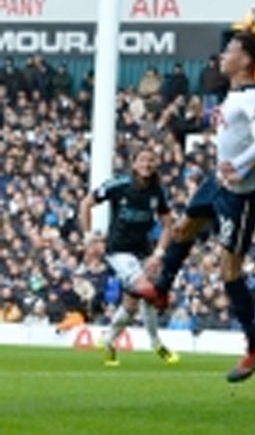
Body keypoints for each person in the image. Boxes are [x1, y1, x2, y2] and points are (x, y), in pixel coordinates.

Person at [134, 32, 255, 383]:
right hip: (218, 181)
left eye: (230, 51)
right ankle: (163, 289)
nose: (222, 55)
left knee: (230, 271)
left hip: (240, 192)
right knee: (182, 229)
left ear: (245, 60)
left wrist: (239, 165)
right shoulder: (233, 95)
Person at [79, 148, 179, 367]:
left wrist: (158, 254)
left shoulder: (157, 192)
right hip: (118, 251)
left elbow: (168, 225)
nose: (147, 163)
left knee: (131, 306)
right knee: (148, 291)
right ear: (134, 164)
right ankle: (156, 343)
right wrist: (89, 239)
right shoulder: (119, 185)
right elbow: (86, 203)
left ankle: (108, 342)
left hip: (143, 252)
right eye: (142, 159)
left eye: (151, 159)